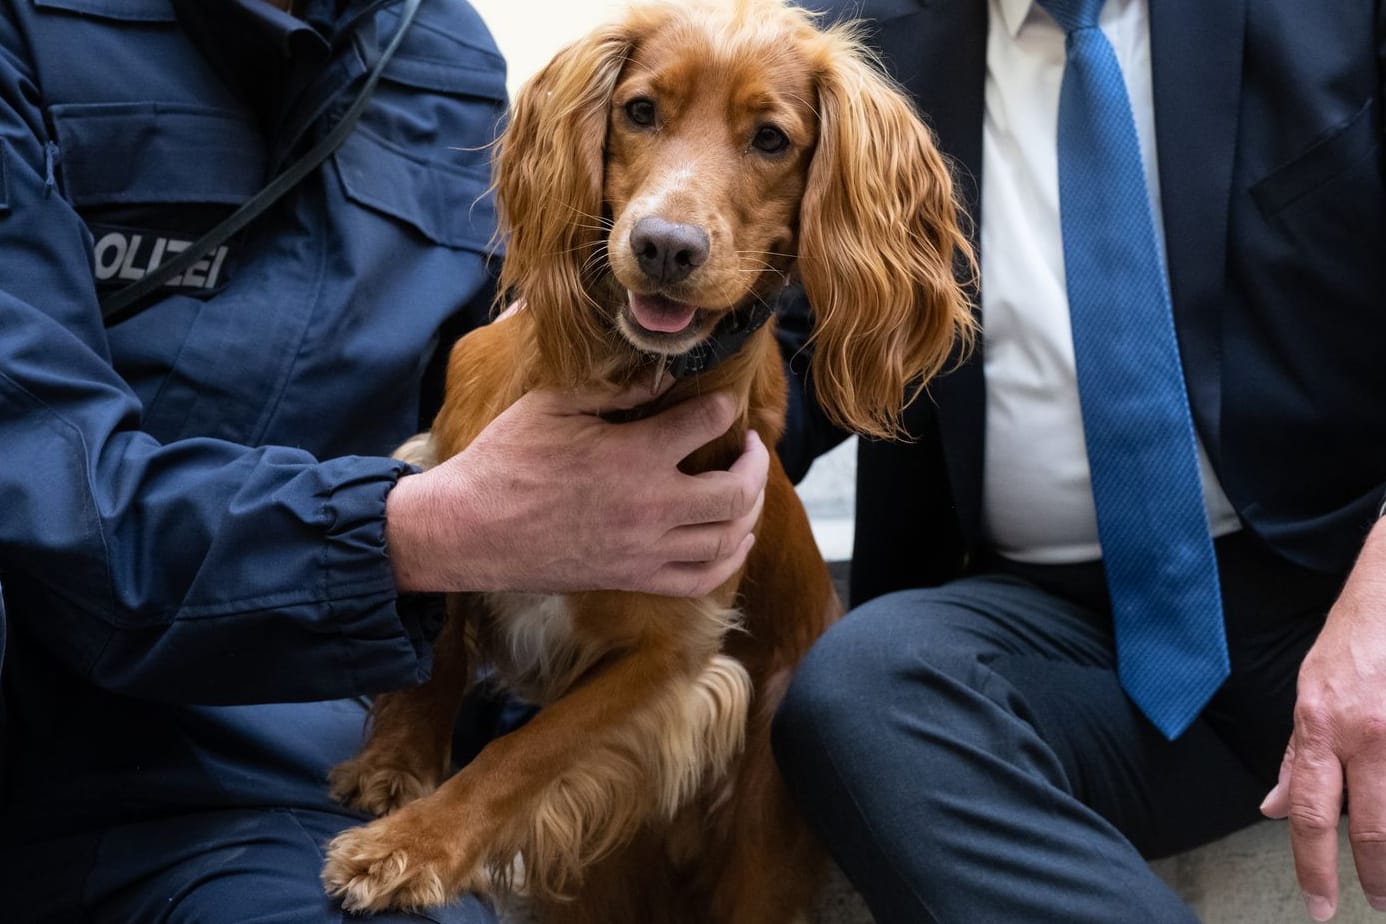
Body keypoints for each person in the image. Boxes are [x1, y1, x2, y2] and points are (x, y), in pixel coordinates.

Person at [0, 1, 768, 922]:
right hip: (35, 709)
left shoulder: (447, 55)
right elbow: (38, 480)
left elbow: (489, 434)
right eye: (644, 115)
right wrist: (424, 530)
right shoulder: (29, 26)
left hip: (307, 756)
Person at [771, 0, 1386, 921]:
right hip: (1044, 631)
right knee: (859, 694)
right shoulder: (848, 42)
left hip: (1334, 579)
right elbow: (786, 352)